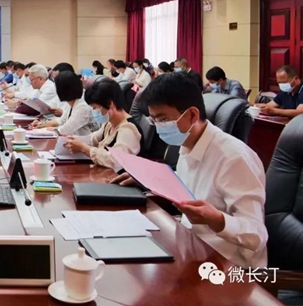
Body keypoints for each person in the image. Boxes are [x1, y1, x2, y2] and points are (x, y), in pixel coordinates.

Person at [113, 73, 267, 268]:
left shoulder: (234, 158)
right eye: (154, 120)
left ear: (192, 115)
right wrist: (148, 179)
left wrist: (217, 220)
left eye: (163, 119)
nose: (159, 127)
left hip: (227, 265)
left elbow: (257, 235)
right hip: (191, 247)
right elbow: (188, 184)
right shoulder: (187, 143)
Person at [62, 80, 141, 169]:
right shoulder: (109, 124)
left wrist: (85, 149)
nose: (94, 112)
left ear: (110, 104)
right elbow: (92, 139)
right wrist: (72, 139)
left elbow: (116, 161)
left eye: (95, 108)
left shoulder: (128, 129)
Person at [31, 71, 95, 136]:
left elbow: (66, 130)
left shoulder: (82, 107)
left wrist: (49, 129)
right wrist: (41, 124)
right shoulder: (71, 103)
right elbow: (61, 120)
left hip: (82, 140)